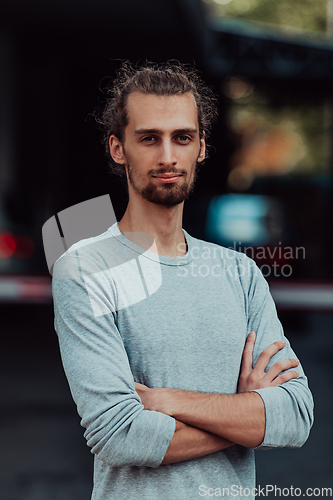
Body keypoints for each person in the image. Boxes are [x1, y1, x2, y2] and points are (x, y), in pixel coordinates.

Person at [52, 62, 314, 500]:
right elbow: (120, 434)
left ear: (202, 147)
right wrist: (246, 418)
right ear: (118, 149)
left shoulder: (239, 273)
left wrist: (169, 400)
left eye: (183, 137)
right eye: (149, 138)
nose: (168, 156)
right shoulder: (85, 269)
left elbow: (296, 417)